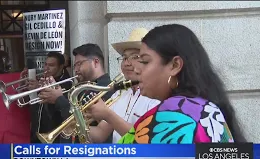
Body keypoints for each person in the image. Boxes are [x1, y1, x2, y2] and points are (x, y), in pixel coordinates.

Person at [85, 24, 245, 144]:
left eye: (144, 61)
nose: (136, 68)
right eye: (127, 58)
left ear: (175, 65)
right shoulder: (205, 107)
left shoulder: (171, 114)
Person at [85, 28, 160, 143]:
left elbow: (144, 138)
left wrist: (107, 114)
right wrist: (77, 125)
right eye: (124, 58)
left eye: (135, 57)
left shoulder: (157, 94)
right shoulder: (120, 93)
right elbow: (100, 134)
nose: (126, 63)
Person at [38, 43, 114, 143]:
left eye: (79, 64)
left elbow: (79, 120)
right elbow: (59, 120)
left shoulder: (107, 89)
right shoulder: (80, 88)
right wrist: (50, 96)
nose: (76, 70)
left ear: (96, 62)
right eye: (74, 66)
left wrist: (59, 99)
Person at [20, 51, 72, 143]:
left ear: (60, 67)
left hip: (55, 136)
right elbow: (24, 103)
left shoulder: (66, 83)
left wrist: (39, 88)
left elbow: (59, 109)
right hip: (37, 133)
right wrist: (22, 85)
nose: (46, 68)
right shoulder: (43, 79)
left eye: (51, 65)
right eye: (46, 64)